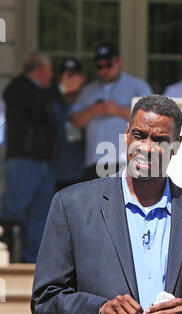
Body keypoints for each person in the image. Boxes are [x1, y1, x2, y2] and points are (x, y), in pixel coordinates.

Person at [31, 94, 182, 314]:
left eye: (159, 140)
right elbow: (45, 299)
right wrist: (100, 311)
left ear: (175, 146)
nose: (146, 148)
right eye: (139, 135)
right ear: (127, 134)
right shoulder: (71, 205)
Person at [0, 52, 84, 263]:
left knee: (39, 216)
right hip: (24, 161)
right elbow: (34, 104)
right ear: (40, 70)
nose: (52, 75)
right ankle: (5, 255)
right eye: (49, 70)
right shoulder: (18, 87)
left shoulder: (46, 94)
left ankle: (32, 262)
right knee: (13, 209)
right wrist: (62, 89)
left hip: (45, 164)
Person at [70, 44, 152, 180]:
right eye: (99, 66)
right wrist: (91, 111)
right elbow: (74, 122)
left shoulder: (137, 86)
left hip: (126, 160)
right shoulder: (89, 90)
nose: (104, 70)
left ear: (118, 62)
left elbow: (151, 118)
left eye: (108, 65)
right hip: (95, 161)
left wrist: (118, 110)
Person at [50, 58, 86, 191]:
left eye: (77, 75)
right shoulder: (52, 102)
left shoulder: (87, 102)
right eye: (69, 76)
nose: (73, 80)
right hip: (55, 175)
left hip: (84, 175)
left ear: (83, 78)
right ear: (60, 78)